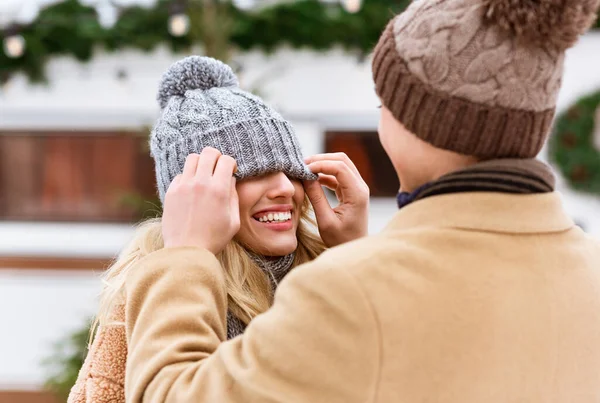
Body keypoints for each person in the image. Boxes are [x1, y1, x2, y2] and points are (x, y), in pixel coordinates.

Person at [124, 0, 600, 401]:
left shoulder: (349, 292)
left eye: (385, 104)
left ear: (415, 124)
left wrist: (184, 255)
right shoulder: (590, 271)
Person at [67, 56, 369, 403]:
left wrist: (353, 257)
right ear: (195, 195)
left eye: (289, 170)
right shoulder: (151, 299)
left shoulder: (326, 279)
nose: (285, 187)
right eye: (251, 174)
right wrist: (187, 259)